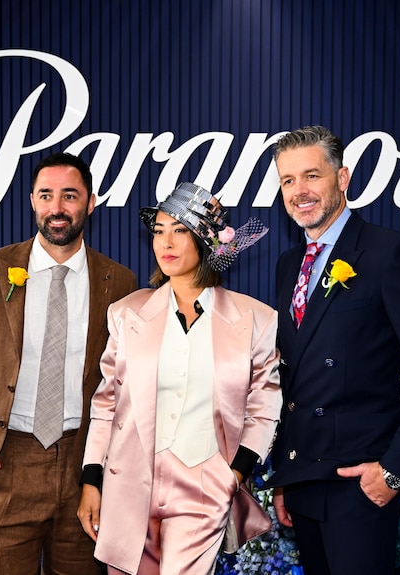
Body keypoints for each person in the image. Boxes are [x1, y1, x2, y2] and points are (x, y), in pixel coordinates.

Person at [269, 126, 400, 574]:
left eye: (311, 176)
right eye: (287, 180)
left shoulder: (387, 253)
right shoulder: (287, 265)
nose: (300, 191)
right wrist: (285, 477)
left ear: (343, 179)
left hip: (359, 482)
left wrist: (394, 469)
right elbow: (292, 375)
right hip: (304, 483)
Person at [0, 152, 138, 575]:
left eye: (70, 196)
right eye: (46, 195)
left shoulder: (119, 281)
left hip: (83, 467)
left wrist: (102, 469)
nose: (57, 208)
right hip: (5, 460)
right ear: (32, 200)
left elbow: (123, 381)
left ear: (91, 202)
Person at [76, 182, 282, 575]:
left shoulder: (255, 318)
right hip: (127, 483)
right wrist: (91, 478)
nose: (165, 242)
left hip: (205, 483)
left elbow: (264, 406)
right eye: (158, 231)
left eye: (180, 230)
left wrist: (234, 473)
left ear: (206, 240)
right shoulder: (126, 312)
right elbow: (106, 404)